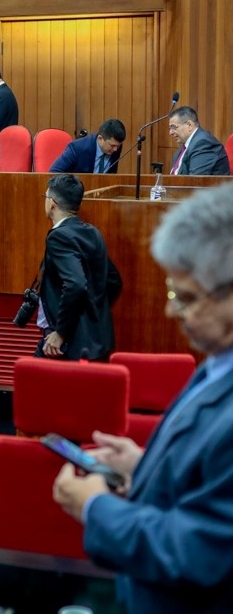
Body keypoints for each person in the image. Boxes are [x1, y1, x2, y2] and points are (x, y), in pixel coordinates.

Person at [52, 181, 233, 613]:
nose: (173, 311)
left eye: (187, 298)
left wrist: (96, 508)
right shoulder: (218, 361)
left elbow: (203, 554)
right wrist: (147, 464)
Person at [36, 174, 121, 361]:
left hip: (68, 346)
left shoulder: (59, 237)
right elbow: (114, 281)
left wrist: (61, 331)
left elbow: (75, 284)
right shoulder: (92, 232)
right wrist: (93, 312)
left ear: (52, 203)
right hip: (97, 341)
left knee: (33, 385)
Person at [167, 105, 231, 175]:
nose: (170, 132)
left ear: (189, 125)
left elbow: (195, 181)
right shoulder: (184, 147)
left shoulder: (204, 144)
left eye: (174, 127)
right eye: (170, 128)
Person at [49, 119, 126, 174]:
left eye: (118, 146)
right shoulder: (77, 148)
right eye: (112, 145)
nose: (115, 149)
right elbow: (54, 172)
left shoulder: (115, 147)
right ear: (100, 139)